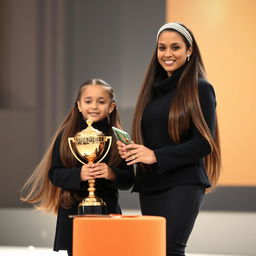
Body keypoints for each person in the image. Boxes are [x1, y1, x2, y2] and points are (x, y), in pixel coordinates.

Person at [117, 22, 221, 256]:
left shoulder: (201, 88)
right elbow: (156, 139)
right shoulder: (152, 91)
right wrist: (135, 151)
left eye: (175, 47)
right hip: (151, 184)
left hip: (183, 183)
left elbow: (204, 143)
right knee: (154, 251)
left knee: (169, 249)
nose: (167, 54)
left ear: (189, 50)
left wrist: (155, 155)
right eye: (162, 48)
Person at [21, 78, 135, 256]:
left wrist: (112, 174)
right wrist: (79, 175)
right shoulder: (67, 136)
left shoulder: (120, 138)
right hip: (73, 212)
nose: (94, 106)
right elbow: (55, 174)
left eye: (101, 101)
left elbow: (129, 180)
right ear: (79, 106)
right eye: (88, 101)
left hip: (108, 212)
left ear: (111, 107)